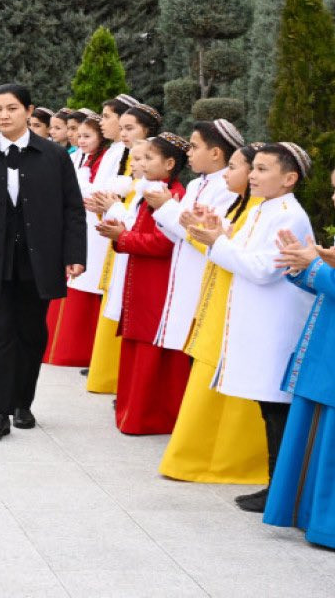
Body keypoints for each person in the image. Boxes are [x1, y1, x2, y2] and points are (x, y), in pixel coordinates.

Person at [0, 83, 86, 440]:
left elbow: (72, 208)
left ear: (28, 110)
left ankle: (23, 402)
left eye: (12, 108)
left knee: (31, 332)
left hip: (38, 260)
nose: (4, 115)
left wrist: (74, 254)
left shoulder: (54, 156)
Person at [190, 142, 316, 513]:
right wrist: (217, 234)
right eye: (254, 168)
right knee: (269, 407)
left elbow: (263, 269)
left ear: (289, 178)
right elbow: (242, 252)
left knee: (277, 408)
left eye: (263, 169)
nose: (254, 176)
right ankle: (276, 486)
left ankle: (282, 489)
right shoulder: (263, 208)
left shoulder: (290, 216)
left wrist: (218, 243)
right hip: (259, 321)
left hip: (276, 324)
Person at [264, 153, 335, 550]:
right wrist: (301, 268)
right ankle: (312, 516)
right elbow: (334, 284)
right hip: (330, 343)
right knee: (320, 427)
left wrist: (317, 268)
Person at [160, 143, 268, 484]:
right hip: (220, 302)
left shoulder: (266, 211)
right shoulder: (245, 207)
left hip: (238, 308)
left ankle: (224, 463)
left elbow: (246, 260)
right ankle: (197, 459)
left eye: (238, 167)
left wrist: (209, 236)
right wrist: (207, 232)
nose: (231, 175)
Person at [98, 133, 190, 435]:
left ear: (170, 163)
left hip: (158, 282)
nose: (142, 163)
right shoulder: (151, 191)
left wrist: (123, 237)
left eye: (149, 158)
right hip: (141, 277)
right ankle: (132, 412)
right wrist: (120, 229)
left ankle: (148, 416)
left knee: (152, 348)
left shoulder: (173, 196)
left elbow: (162, 243)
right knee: (138, 344)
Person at [84, 104, 163, 394]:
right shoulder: (119, 156)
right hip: (120, 239)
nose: (123, 132)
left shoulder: (154, 183)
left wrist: (113, 206)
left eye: (130, 128)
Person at [150, 121, 243, 356]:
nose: (188, 153)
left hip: (202, 269)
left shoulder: (227, 188)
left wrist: (167, 207)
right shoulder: (194, 184)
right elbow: (180, 230)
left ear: (215, 153)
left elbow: (203, 234)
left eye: (194, 146)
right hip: (183, 264)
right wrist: (164, 210)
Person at [45, 112, 110, 367]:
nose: (80, 140)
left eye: (86, 135)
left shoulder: (107, 156)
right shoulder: (83, 157)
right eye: (77, 134)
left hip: (94, 227)